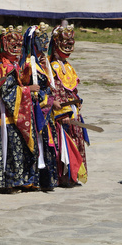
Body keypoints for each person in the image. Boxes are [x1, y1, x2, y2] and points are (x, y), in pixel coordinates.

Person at [0, 25, 40, 193]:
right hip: (6, 115)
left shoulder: (12, 65)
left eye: (19, 46)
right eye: (13, 46)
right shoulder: (5, 67)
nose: (17, 49)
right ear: (4, 47)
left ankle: (15, 181)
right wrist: (27, 90)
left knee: (14, 148)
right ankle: (8, 183)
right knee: (9, 148)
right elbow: (7, 91)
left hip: (10, 113)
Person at [20, 23, 58, 191]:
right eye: (40, 41)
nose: (43, 45)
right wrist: (47, 99)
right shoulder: (29, 65)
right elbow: (29, 88)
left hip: (44, 111)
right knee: (35, 144)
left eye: (45, 41)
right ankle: (32, 179)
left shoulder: (42, 64)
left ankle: (44, 179)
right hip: (34, 113)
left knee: (45, 144)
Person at [49, 24, 88, 187]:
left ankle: (73, 175)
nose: (68, 46)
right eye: (64, 42)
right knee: (64, 144)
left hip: (73, 111)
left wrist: (77, 104)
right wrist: (63, 113)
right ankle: (63, 176)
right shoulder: (52, 67)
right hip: (63, 113)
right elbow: (56, 91)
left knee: (75, 141)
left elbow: (72, 89)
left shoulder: (68, 66)